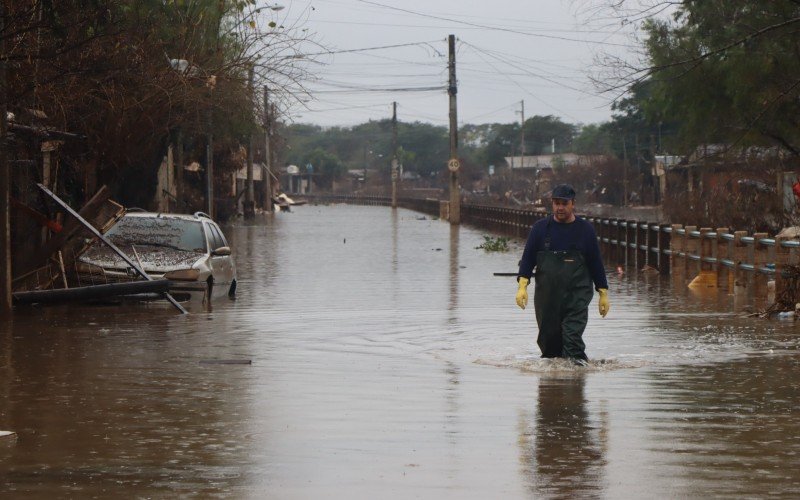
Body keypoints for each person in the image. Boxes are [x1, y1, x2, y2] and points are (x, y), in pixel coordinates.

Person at [515, 184, 609, 365]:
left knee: (572, 341)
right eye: (556, 203)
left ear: (573, 204)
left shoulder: (585, 230)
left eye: (564, 203)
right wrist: (522, 285)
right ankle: (552, 389)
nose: (560, 208)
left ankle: (577, 383)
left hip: (577, 295)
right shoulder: (540, 229)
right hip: (547, 298)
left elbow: (595, 262)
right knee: (550, 349)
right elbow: (528, 259)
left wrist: (603, 292)